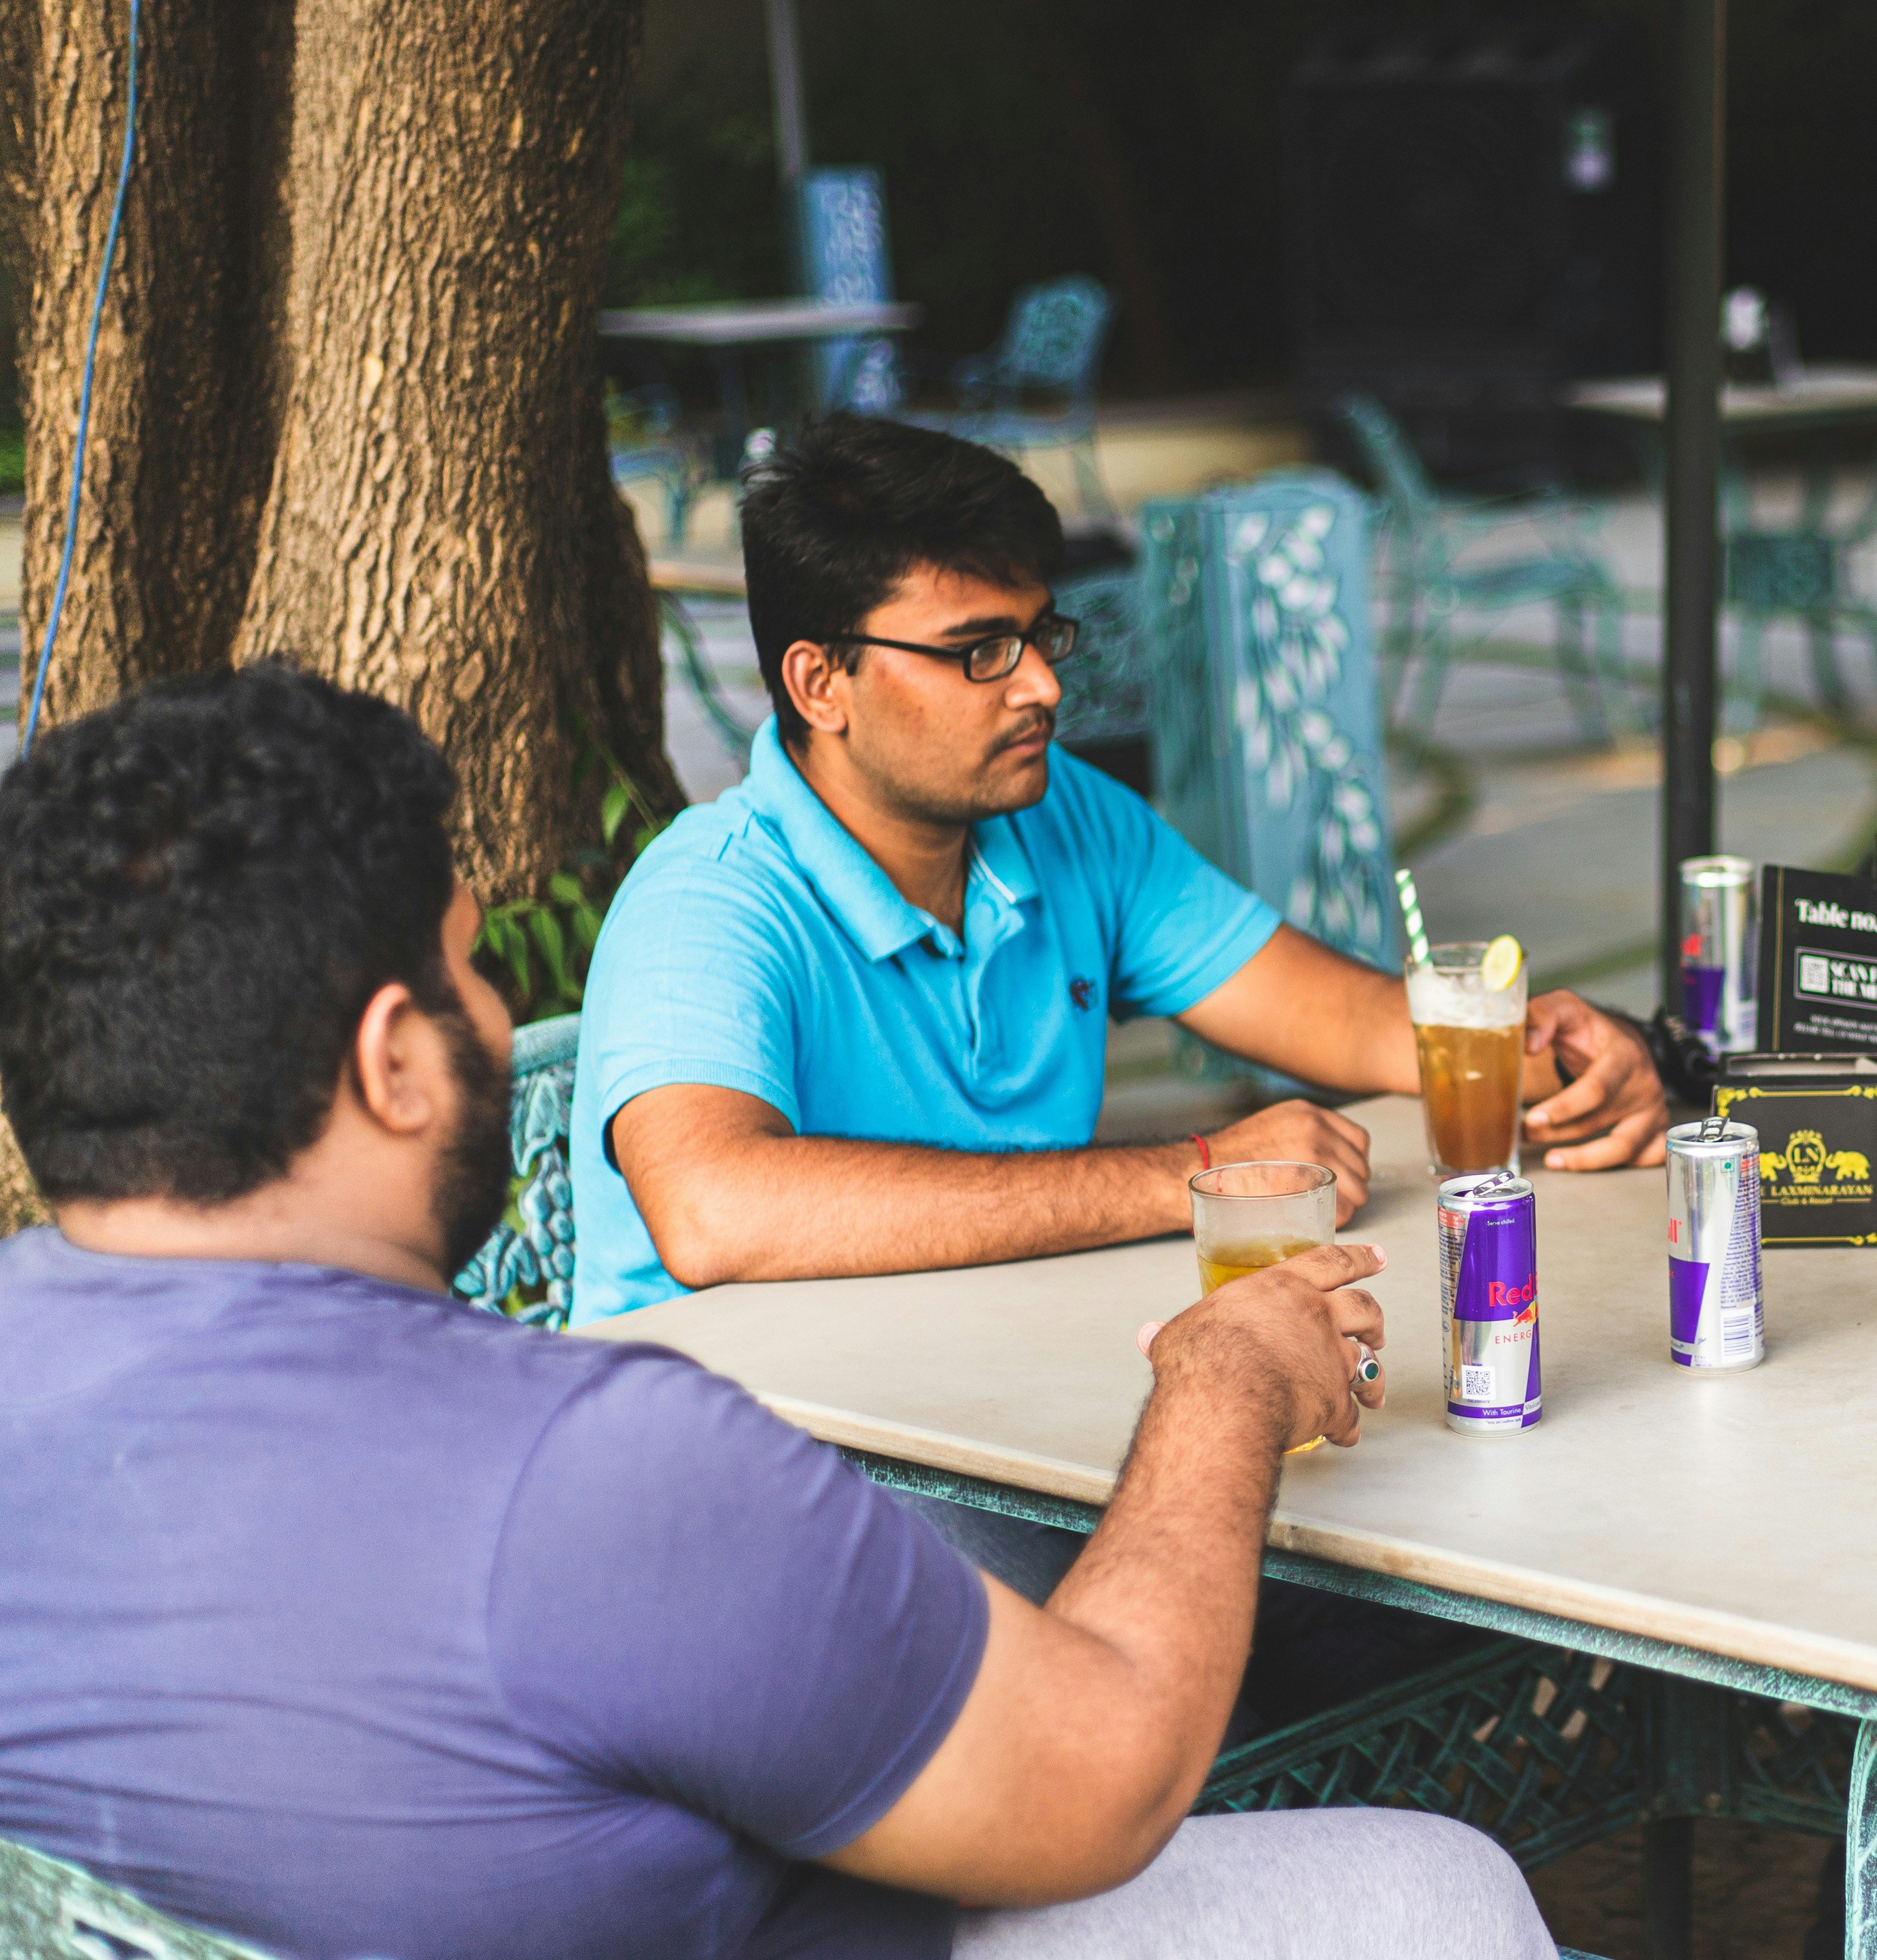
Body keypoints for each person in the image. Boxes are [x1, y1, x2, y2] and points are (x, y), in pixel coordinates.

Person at [0, 664, 1554, 1960]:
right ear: (393, 1061)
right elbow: (1102, 1779)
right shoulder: (598, 1471)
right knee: (1448, 1896)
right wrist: (1223, 1380)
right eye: (475, 972)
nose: (502, 1016)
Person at [573, 414, 1668, 1328]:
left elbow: (1349, 1021)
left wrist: (1570, 1062)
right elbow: (715, 1207)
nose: (1043, 686)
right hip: (747, 1470)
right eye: (979, 652)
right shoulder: (709, 902)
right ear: (821, 685)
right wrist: (1197, 1173)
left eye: (1041, 634)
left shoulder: (1069, 823)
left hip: (976, 1398)